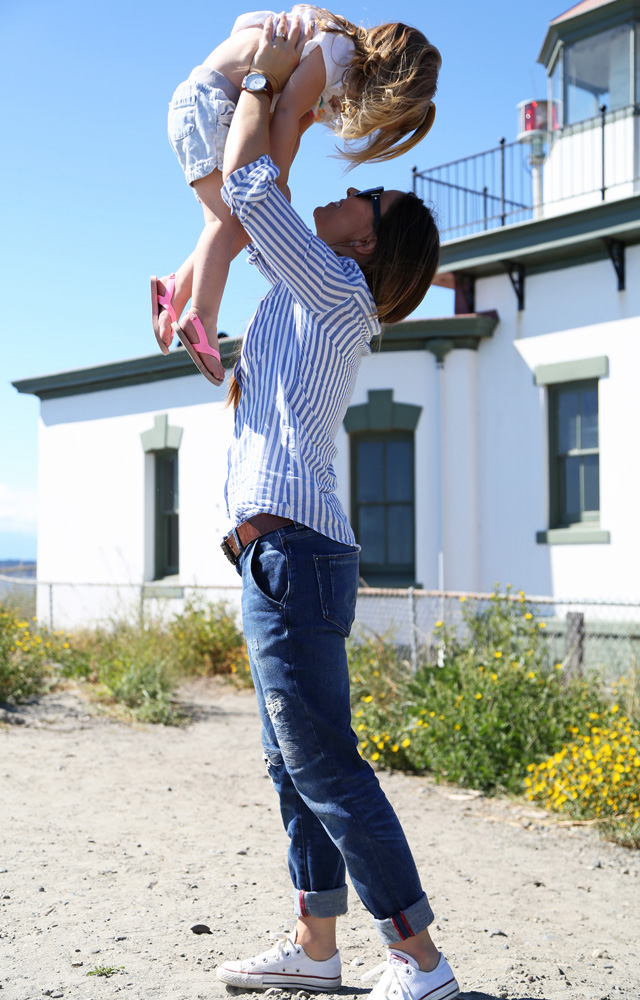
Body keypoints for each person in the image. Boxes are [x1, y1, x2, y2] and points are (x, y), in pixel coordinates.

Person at [212, 14, 459, 1000]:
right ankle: (318, 950)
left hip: (297, 553)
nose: (348, 189)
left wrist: (270, 84)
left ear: (370, 242)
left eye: (368, 195)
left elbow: (245, 185)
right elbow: (236, 242)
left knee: (325, 765)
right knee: (293, 763)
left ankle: (421, 966)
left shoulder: (340, 290)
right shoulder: (315, 289)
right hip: (282, 552)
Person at [150, 4, 441, 387]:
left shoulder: (333, 62)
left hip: (212, 101)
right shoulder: (338, 53)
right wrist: (275, 189)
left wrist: (275, 191)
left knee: (237, 228)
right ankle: (201, 317)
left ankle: (175, 289)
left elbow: (292, 123)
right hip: (210, 101)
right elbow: (284, 114)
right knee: (223, 221)